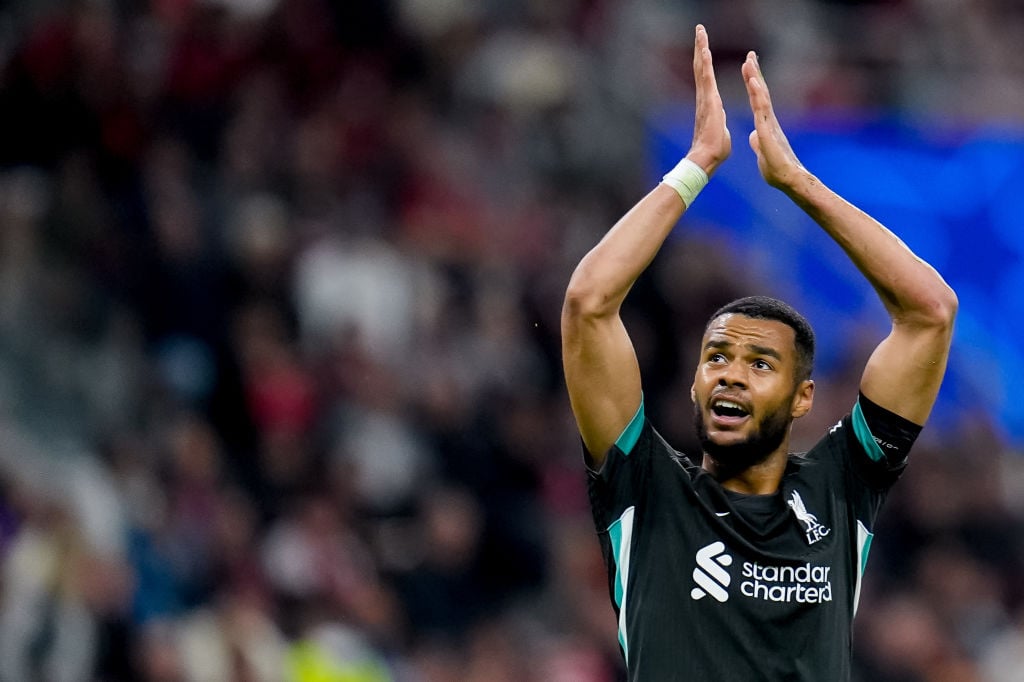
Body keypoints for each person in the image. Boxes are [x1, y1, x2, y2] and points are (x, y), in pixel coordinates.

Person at [560, 25, 957, 681]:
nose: (731, 375)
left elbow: (930, 313)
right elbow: (587, 303)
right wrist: (698, 166)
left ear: (805, 396)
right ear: (693, 384)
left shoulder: (840, 489)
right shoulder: (645, 489)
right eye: (716, 357)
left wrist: (797, 182)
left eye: (759, 363)